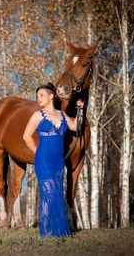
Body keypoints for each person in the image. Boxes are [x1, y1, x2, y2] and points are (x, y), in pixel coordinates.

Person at [23, 82, 84, 237]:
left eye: (41, 95)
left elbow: (76, 126)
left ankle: (59, 231)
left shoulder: (62, 115)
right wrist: (38, 153)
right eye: (37, 96)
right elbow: (26, 137)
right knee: (48, 194)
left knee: (57, 194)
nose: (38, 98)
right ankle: (44, 233)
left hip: (58, 162)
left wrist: (80, 109)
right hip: (43, 161)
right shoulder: (38, 115)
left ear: (51, 96)